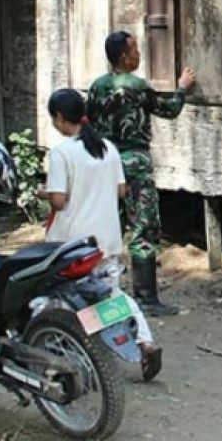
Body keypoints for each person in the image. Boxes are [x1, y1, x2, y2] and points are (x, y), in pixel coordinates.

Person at [43, 88, 160, 379]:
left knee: (61, 298)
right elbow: (121, 191)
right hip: (106, 238)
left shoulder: (61, 153)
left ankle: (72, 355)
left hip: (72, 242)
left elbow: (58, 201)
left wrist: (42, 192)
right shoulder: (107, 147)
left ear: (59, 118)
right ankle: (144, 340)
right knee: (111, 294)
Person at [86, 31, 196, 317]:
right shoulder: (137, 86)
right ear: (124, 56)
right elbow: (169, 109)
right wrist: (182, 88)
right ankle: (146, 298)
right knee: (143, 228)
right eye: (135, 51)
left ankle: (104, 295)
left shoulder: (97, 87)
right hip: (134, 164)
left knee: (110, 227)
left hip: (105, 164)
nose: (139, 55)